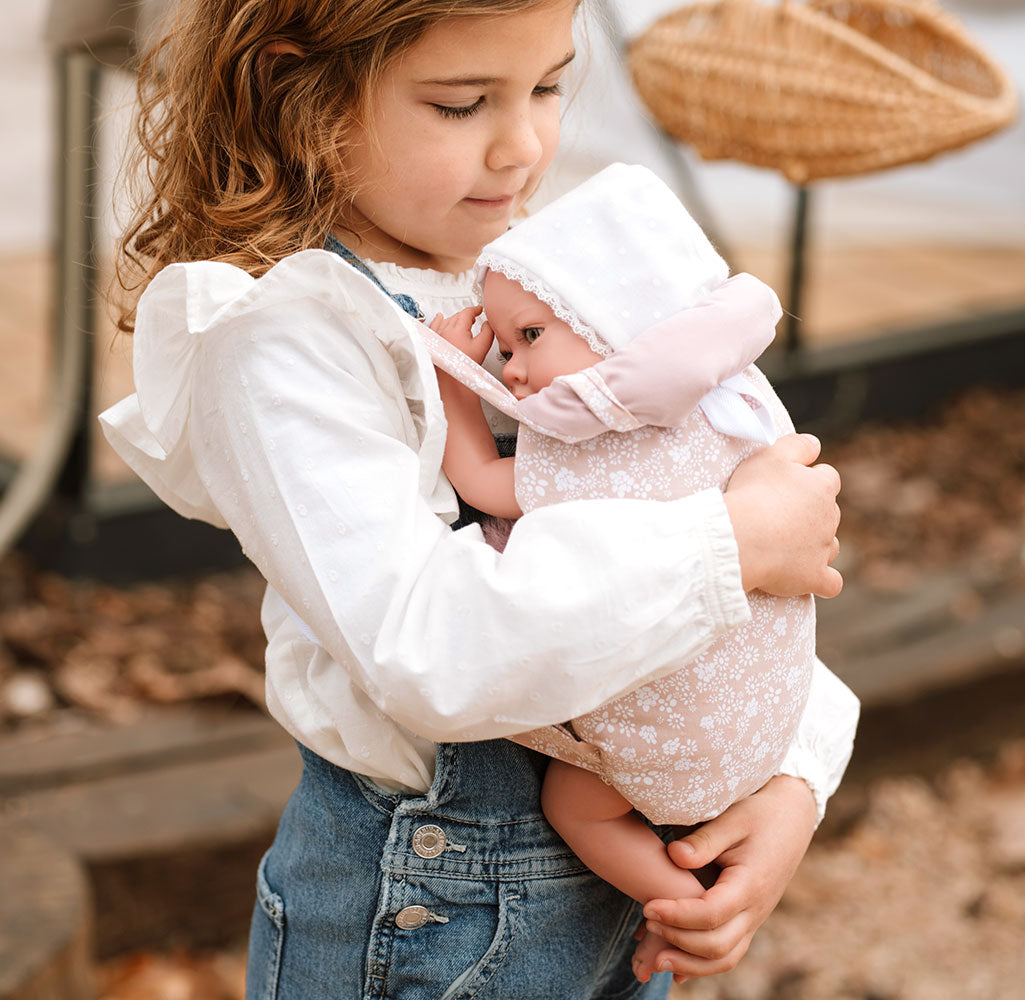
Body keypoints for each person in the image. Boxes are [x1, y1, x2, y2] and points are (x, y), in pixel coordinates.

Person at [99, 1, 858, 997]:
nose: (525, 146)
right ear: (296, 93)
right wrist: (724, 546)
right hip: (428, 913)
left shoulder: (538, 277)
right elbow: (426, 643)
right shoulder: (283, 339)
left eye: (546, 84)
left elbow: (708, 498)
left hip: (613, 882)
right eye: (461, 104)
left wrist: (789, 775)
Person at [426, 161, 824, 980]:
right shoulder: (729, 400)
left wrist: (453, 386)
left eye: (529, 336)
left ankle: (679, 912)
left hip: (683, 745)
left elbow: (475, 482)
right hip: (770, 724)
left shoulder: (606, 437)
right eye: (501, 349)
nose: (509, 369)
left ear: (616, 323)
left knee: (574, 804)